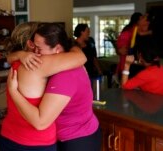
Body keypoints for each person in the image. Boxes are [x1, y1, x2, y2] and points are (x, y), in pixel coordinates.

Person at [7, 23, 101, 151]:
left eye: (39, 49)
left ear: (57, 49)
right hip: (67, 135)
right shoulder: (53, 65)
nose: (35, 53)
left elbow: (41, 122)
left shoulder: (66, 74)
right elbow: (11, 58)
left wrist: (13, 91)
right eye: (33, 46)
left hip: (77, 139)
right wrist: (20, 55)